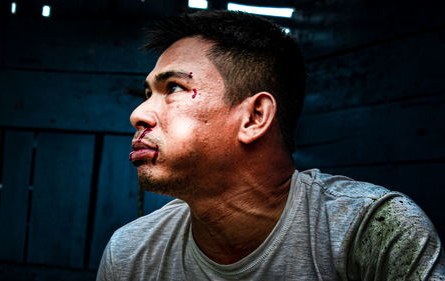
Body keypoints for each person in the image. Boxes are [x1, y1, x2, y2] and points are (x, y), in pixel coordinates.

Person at [97, 10, 444, 280]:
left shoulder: (373, 231)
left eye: (172, 87)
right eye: (147, 94)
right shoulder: (131, 253)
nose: (138, 114)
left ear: (254, 116)